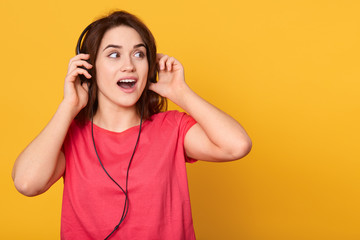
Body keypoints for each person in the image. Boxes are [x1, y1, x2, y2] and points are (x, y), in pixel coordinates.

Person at [12, 10, 252, 240]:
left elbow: (237, 145)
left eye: (139, 54)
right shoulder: (70, 136)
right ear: (89, 69)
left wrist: (180, 92)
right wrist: (69, 105)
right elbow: (26, 183)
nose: (129, 65)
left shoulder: (173, 128)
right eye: (114, 54)